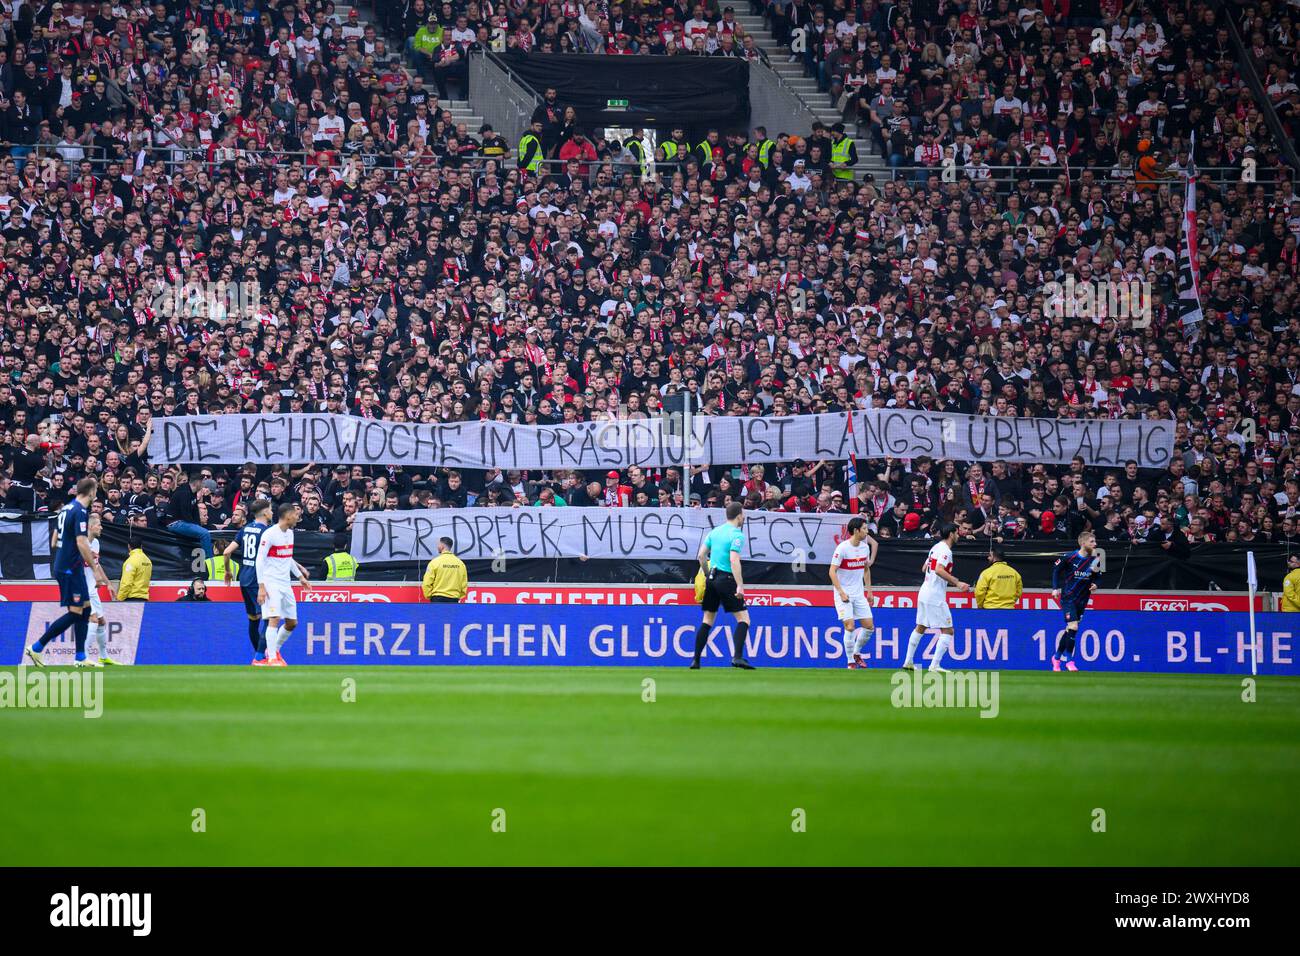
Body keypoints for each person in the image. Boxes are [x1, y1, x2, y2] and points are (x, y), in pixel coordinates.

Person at [26, 477, 106, 667]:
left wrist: (65, 549)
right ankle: (36, 647)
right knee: (76, 612)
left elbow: (54, 540)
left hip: (68, 566)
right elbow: (81, 542)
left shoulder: (66, 508)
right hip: (70, 569)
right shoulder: (79, 511)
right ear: (92, 492)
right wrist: (95, 570)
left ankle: (80, 657)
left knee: (85, 609)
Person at [691, 502, 755, 669]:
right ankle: (737, 657)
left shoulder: (715, 531)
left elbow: (701, 556)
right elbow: (734, 559)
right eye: (743, 514)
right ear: (739, 515)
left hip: (712, 578)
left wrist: (706, 574)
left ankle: (696, 660)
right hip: (727, 579)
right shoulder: (737, 535)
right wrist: (740, 585)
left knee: (707, 620)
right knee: (744, 619)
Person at [903, 522, 970, 673]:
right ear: (952, 534)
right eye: (957, 533)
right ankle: (934, 665)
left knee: (921, 627)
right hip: (935, 595)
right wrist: (957, 583)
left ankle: (908, 661)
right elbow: (939, 569)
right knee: (948, 630)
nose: (959, 535)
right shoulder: (946, 551)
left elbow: (924, 568)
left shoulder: (935, 547)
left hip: (925, 591)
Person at [255, 502, 312, 667]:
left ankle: (274, 651)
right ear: (287, 516)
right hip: (271, 582)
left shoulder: (290, 534)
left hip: (285, 584)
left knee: (292, 623)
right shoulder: (269, 534)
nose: (297, 517)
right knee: (274, 618)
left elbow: (287, 558)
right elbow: (259, 560)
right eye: (295, 514)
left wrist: (300, 577)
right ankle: (271, 658)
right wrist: (261, 586)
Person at [225, 498, 272, 662]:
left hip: (244, 578)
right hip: (258, 580)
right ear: (265, 512)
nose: (272, 512)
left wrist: (228, 571)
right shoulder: (267, 532)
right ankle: (260, 656)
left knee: (253, 620)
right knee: (269, 619)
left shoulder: (245, 529)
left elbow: (226, 552)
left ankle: (259, 655)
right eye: (271, 509)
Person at [829, 516, 877, 669]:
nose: (866, 531)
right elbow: (831, 572)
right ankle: (850, 662)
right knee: (850, 626)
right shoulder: (842, 548)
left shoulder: (864, 548)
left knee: (869, 626)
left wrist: (869, 591)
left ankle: (856, 653)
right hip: (843, 594)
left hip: (859, 593)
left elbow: (866, 569)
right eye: (864, 528)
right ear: (856, 531)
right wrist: (841, 592)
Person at [1051, 532, 1100, 672]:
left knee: (1070, 630)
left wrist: (1096, 584)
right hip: (1068, 598)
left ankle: (1056, 657)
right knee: (1073, 627)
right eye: (1092, 541)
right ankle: (1069, 661)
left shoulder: (1096, 559)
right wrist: (1055, 588)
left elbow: (1098, 577)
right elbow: (1056, 570)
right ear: (1083, 543)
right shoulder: (1069, 557)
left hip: (1083, 599)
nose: (1095, 544)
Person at [83, 513, 124, 665]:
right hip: (81, 587)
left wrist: (108, 583)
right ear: (90, 526)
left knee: (101, 621)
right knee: (93, 619)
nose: (101, 527)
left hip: (92, 588)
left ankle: (103, 656)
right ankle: (82, 657)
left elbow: (97, 565)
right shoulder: (80, 543)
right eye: (99, 524)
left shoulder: (96, 544)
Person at [422, 537, 468, 603]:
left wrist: (429, 596)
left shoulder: (434, 562)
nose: (437, 546)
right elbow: (464, 584)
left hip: (437, 599)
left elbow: (426, 583)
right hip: (454, 599)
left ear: (442, 546)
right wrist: (458, 596)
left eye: (438, 544)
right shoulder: (460, 564)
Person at [118, 536, 153, 601]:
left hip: (132, 599)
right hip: (144, 599)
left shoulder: (130, 561)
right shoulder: (148, 561)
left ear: (129, 546)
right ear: (141, 546)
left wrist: (120, 598)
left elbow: (126, 583)